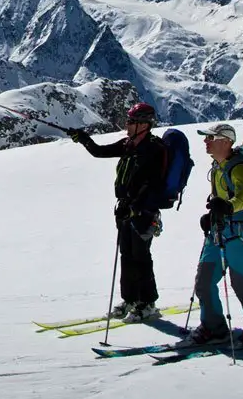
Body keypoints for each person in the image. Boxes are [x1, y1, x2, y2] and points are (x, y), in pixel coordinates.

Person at [67, 102, 168, 323]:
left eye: (132, 121)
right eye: (128, 120)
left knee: (141, 256)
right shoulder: (128, 144)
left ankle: (147, 303)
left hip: (143, 211)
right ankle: (130, 299)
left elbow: (152, 183)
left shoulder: (155, 148)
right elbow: (100, 152)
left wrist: (134, 205)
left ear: (144, 124)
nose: (127, 124)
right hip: (124, 209)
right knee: (127, 254)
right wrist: (83, 138)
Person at [190, 122, 243, 346]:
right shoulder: (217, 166)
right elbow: (220, 200)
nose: (205, 141)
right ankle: (213, 326)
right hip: (220, 230)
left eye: (211, 138)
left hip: (239, 232)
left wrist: (225, 208)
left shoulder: (238, 167)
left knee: (240, 282)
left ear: (226, 142)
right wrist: (212, 214)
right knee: (204, 281)